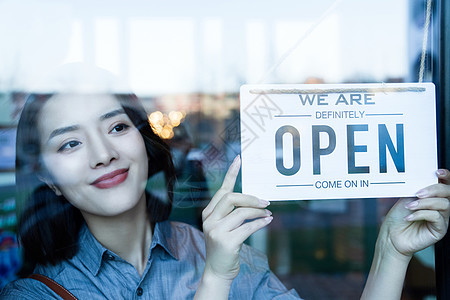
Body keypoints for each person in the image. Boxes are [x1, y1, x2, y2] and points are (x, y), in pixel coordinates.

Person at [1, 68, 449, 299]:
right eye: (71, 144)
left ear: (144, 139)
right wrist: (215, 278)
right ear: (48, 179)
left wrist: (392, 250)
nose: (103, 153)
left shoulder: (218, 251)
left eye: (116, 127)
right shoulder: (34, 294)